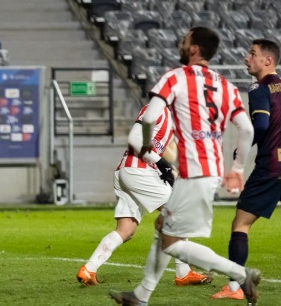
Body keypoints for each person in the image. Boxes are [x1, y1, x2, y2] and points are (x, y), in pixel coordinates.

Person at [110, 26, 260, 306]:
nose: (180, 44)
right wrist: (237, 169)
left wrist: (146, 147)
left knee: (172, 242)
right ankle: (140, 297)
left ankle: (242, 275)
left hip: (192, 171)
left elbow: (150, 117)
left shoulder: (175, 77)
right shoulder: (225, 85)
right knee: (162, 228)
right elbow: (247, 128)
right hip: (212, 169)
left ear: (193, 49)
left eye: (184, 40)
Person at [77, 105, 213, 287]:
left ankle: (89, 269)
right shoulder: (157, 109)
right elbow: (134, 138)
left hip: (131, 171)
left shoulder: (173, 119)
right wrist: (161, 162)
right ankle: (183, 273)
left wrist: (167, 166)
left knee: (126, 230)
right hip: (137, 170)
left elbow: (160, 150)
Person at [212, 38, 281, 299]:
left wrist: (242, 148)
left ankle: (234, 289)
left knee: (240, 224)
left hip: (271, 166)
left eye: (252, 54)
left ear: (268, 60)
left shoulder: (258, 88)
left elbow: (260, 125)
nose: (245, 58)